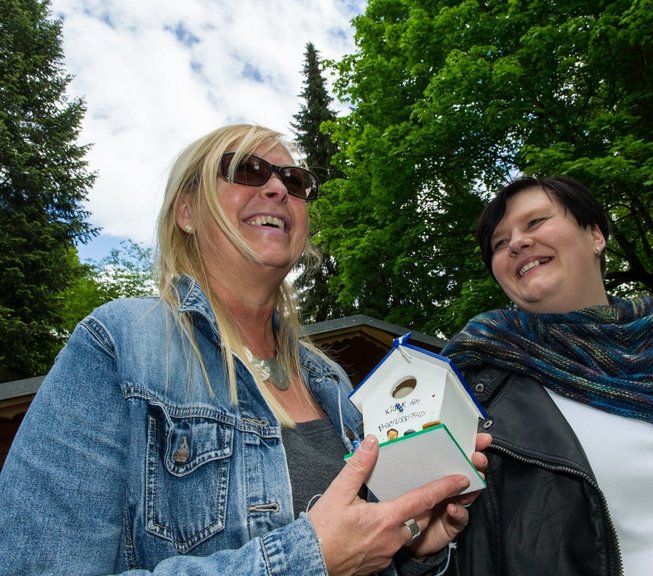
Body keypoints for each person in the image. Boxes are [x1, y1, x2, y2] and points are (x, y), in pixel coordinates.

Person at [0, 124, 490, 576]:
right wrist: (307, 559)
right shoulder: (120, 343)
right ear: (186, 211)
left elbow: (359, 548)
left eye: (296, 181)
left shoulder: (334, 384)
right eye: (245, 170)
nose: (278, 188)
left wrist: (412, 546)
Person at [443, 175, 653, 575]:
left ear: (595, 235)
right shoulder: (473, 383)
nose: (516, 243)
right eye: (499, 243)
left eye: (535, 222)